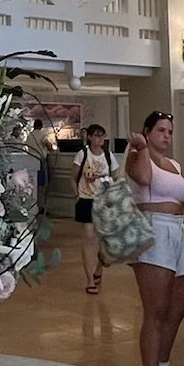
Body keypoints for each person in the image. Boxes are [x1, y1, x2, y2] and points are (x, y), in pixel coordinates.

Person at [125, 110, 184, 366]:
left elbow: (182, 205)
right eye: (160, 131)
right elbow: (144, 178)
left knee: (177, 308)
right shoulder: (137, 156)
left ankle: (162, 365)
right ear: (147, 132)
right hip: (153, 230)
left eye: (169, 132)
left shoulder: (174, 165)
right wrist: (142, 147)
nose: (167, 136)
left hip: (176, 231)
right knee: (155, 309)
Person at [73, 124, 113, 293]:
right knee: (89, 238)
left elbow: (114, 177)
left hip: (103, 201)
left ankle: (98, 268)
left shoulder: (109, 156)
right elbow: (73, 176)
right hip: (86, 199)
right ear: (90, 137)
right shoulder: (82, 155)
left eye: (102, 136)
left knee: (102, 238)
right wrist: (76, 194)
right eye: (96, 136)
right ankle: (90, 279)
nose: (99, 140)